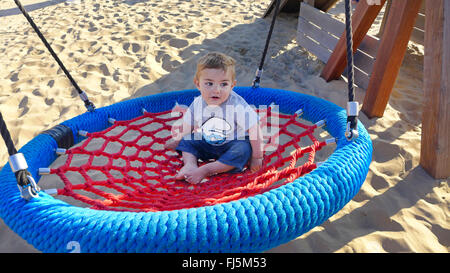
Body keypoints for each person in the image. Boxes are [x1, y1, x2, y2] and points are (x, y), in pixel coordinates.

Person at [165, 52, 264, 184]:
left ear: (232, 85)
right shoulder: (197, 103)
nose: (216, 90)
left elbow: (254, 130)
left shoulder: (237, 105)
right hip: (207, 141)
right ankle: (190, 164)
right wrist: (178, 141)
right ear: (198, 84)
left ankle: (207, 169)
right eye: (209, 84)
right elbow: (188, 126)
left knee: (243, 150)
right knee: (187, 139)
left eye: (223, 84)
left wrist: (257, 157)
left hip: (233, 143)